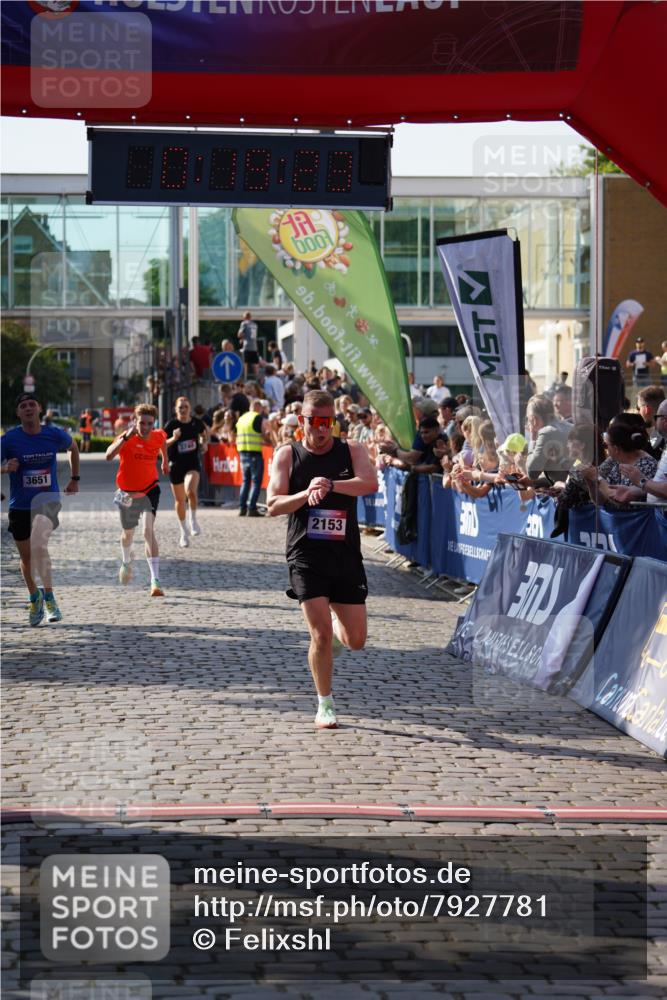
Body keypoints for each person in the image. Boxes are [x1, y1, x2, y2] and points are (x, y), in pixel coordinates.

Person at [267, 390, 378, 730]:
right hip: (306, 554)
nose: (321, 428)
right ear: (302, 421)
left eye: (327, 421)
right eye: (314, 421)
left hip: (344, 554)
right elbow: (273, 505)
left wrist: (330, 485)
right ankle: (325, 704)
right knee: (321, 635)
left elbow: (369, 483)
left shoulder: (351, 450)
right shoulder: (288, 454)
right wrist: (307, 492)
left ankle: (334, 616)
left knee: (356, 641)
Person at [1, 393, 80, 626]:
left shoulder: (53, 434)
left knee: (39, 545)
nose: (28, 408)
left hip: (47, 500)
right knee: (26, 557)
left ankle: (50, 598)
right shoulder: (9, 439)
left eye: (31, 404)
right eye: (23, 406)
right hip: (20, 505)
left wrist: (74, 478)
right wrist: (5, 468)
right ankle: (34, 596)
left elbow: (73, 447)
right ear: (18, 413)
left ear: (39, 408)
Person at [105, 403, 168, 597]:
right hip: (127, 493)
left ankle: (155, 581)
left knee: (148, 531)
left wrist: (165, 461)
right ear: (135, 421)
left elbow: (163, 442)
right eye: (142, 423)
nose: (146, 427)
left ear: (154, 423)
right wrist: (125, 437)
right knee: (128, 534)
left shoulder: (158, 435)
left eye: (150, 423)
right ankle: (126, 561)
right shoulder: (126, 438)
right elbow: (108, 456)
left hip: (150, 490)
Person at [164, 396, 208, 547]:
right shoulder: (171, 425)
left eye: (186, 407)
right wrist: (174, 438)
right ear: (175, 410)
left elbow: (204, 433)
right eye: (180, 407)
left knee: (191, 491)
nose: (183, 410)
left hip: (192, 463)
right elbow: (162, 444)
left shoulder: (196, 423)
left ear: (190, 409)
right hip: (175, 464)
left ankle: (193, 519)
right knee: (180, 500)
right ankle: (183, 532)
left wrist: (204, 443)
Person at [237, 398, 271, 517]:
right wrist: (270, 441)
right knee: (256, 482)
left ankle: (242, 508)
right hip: (254, 453)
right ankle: (252, 508)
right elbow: (263, 434)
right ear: (258, 407)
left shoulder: (242, 418)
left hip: (242, 452)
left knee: (245, 481)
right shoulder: (257, 417)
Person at [238, 310, 260, 378]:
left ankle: (244, 379)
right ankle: (257, 379)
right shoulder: (255, 325)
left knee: (245, 363)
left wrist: (241, 338)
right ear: (250, 317)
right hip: (254, 347)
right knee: (255, 364)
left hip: (247, 346)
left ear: (244, 317)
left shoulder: (244, 323)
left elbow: (240, 334)